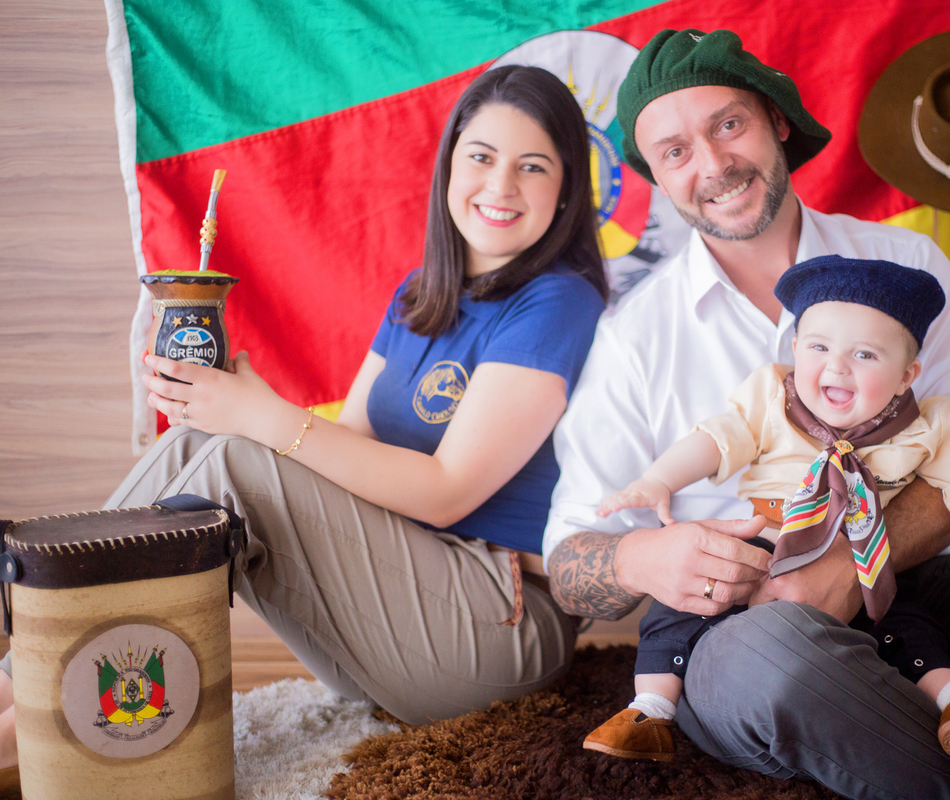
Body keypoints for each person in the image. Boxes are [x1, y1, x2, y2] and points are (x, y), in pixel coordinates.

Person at [544, 28, 950, 800]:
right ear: (654, 174)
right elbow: (566, 562)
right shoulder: (633, 339)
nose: (715, 165)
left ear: (777, 122)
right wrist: (638, 561)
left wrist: (844, 575)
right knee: (777, 657)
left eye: (729, 125)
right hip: (747, 634)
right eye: (675, 151)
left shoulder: (908, 268)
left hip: (916, 596)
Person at [0, 63, 609, 775]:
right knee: (206, 441)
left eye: (532, 167)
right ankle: (28, 677)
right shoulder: (421, 294)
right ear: (450, 166)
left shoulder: (558, 301)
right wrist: (232, 405)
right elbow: (347, 447)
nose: (500, 185)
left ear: (565, 190)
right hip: (396, 633)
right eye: (481, 156)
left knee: (235, 458)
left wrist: (265, 418)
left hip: (498, 629)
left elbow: (450, 490)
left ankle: (26, 709)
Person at [582, 256, 950, 763]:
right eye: (818, 347)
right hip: (767, 538)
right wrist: (657, 481)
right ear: (794, 350)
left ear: (906, 375)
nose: (836, 366)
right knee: (688, 598)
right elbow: (718, 440)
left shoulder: (933, 424)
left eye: (865, 355)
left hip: (864, 557)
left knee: (906, 622)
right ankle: (650, 709)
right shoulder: (773, 398)